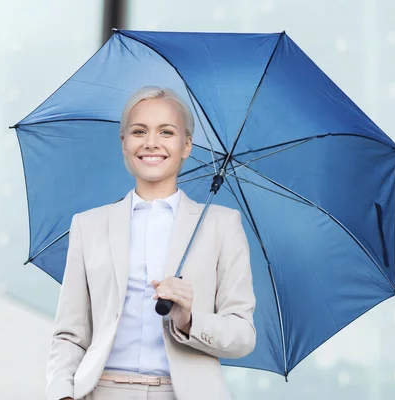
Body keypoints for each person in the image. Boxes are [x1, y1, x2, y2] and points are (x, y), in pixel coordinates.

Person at [46, 86, 256, 400]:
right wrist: (62, 393)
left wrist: (189, 319)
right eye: (139, 131)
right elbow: (69, 335)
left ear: (186, 145)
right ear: (124, 143)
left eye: (166, 132)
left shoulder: (221, 225)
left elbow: (243, 335)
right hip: (101, 391)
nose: (151, 143)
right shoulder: (88, 225)